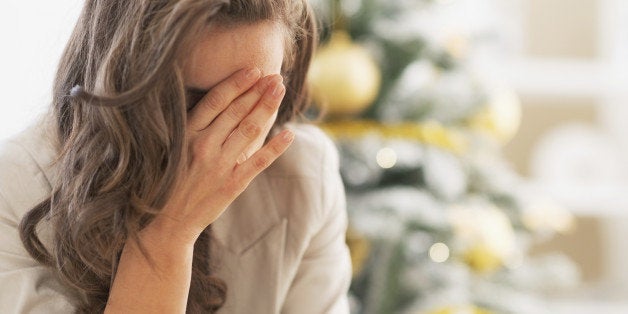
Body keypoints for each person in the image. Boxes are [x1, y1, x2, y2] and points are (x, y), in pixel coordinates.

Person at [0, 0, 352, 313]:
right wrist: (169, 234)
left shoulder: (304, 172)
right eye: (194, 102)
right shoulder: (14, 184)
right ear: (121, 80)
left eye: (252, 99)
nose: (224, 133)